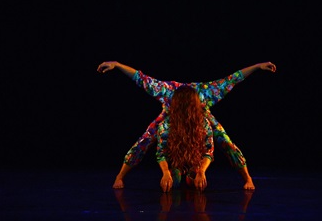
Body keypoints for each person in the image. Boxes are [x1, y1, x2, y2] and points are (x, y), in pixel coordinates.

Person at [97, 61, 276, 190]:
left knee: (225, 140)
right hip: (170, 116)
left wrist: (257, 67)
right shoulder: (167, 91)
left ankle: (247, 178)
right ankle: (120, 176)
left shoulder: (204, 94)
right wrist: (118, 65)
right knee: (145, 139)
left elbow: (232, 79)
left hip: (199, 116)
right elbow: (141, 78)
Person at [157, 86, 214, 192]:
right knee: (174, 184)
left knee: (195, 184)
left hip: (195, 163)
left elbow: (208, 151)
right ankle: (176, 172)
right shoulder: (166, 125)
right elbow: (161, 153)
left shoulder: (203, 123)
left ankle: (191, 173)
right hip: (175, 162)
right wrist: (165, 173)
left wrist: (201, 171)